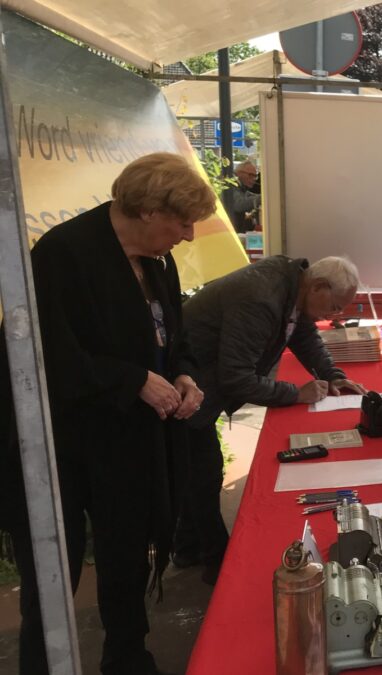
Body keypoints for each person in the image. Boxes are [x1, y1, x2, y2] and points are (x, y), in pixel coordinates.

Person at [0, 152, 214, 674]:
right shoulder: (64, 253)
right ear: (147, 210)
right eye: (181, 221)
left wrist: (183, 374)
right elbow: (46, 354)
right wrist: (134, 380)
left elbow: (172, 335)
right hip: (60, 447)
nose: (188, 235)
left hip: (126, 441)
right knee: (55, 576)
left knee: (124, 556)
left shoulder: (156, 261)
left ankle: (126, 657)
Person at [176, 256, 367, 583]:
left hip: (200, 388)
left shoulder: (296, 287)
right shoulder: (261, 298)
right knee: (203, 471)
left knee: (200, 468)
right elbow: (235, 377)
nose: (333, 315)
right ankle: (218, 564)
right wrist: (295, 393)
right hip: (189, 388)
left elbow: (304, 336)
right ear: (318, 286)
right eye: (334, 306)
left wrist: (332, 375)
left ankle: (187, 548)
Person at [222, 159, 259, 233]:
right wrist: (263, 198)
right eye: (251, 175)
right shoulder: (230, 184)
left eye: (255, 176)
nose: (254, 179)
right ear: (239, 173)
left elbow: (247, 196)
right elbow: (239, 204)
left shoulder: (241, 187)